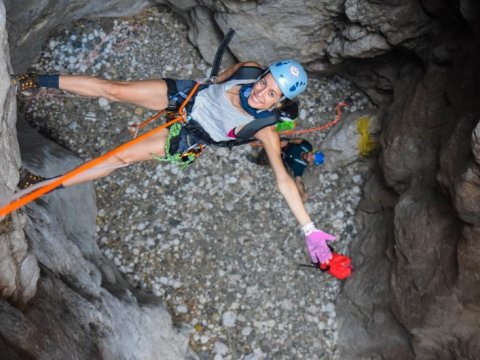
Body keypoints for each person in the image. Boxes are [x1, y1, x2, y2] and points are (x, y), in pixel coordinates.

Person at [14, 59, 337, 264]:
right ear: (263, 73)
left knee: (120, 157)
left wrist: (309, 229)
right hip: (188, 98)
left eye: (271, 94)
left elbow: (283, 180)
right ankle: (35, 81)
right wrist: (204, 85)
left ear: (279, 103)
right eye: (265, 83)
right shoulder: (249, 69)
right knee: (113, 89)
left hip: (190, 135)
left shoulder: (265, 129)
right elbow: (216, 79)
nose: (261, 92)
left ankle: (41, 185)